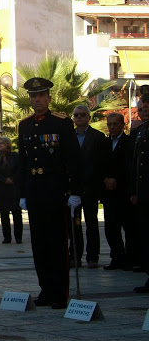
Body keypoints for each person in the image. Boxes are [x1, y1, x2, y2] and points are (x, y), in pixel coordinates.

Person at [18, 78, 81, 309]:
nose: (38, 100)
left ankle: (59, 293)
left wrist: (75, 191)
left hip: (56, 192)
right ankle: (45, 289)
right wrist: (23, 192)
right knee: (39, 244)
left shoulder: (61, 124)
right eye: (34, 96)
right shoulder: (24, 125)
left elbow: (73, 160)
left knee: (56, 244)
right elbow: (24, 163)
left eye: (42, 96)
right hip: (35, 192)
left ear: (49, 98)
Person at [69, 104, 106, 268]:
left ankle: (93, 256)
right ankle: (75, 256)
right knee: (74, 224)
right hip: (73, 188)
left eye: (82, 115)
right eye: (76, 115)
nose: (79, 118)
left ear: (89, 118)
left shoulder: (98, 137)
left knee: (91, 223)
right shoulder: (68, 136)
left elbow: (101, 163)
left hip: (91, 186)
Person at [101, 112, 137, 271]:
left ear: (122, 125)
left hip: (124, 192)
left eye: (115, 124)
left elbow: (130, 167)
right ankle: (117, 257)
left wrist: (117, 180)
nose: (112, 127)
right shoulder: (103, 144)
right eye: (109, 124)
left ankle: (130, 259)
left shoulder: (129, 142)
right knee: (110, 228)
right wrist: (105, 179)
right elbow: (98, 164)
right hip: (109, 193)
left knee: (129, 227)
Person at [130, 94, 149, 293]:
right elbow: (136, 164)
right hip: (143, 193)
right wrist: (133, 191)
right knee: (144, 235)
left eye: (147, 107)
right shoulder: (141, 131)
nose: (144, 110)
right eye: (142, 108)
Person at [0, 136, 22, 244]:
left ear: (7, 144)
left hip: (14, 188)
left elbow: (20, 170)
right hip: (2, 189)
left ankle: (18, 237)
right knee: (4, 214)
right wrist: (4, 180)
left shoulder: (16, 156)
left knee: (16, 213)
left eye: (1, 143)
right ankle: (7, 237)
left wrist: (13, 179)